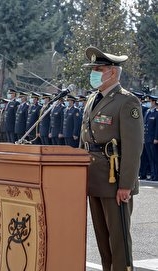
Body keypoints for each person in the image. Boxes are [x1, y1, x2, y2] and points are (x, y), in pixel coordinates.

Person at [80, 46, 143, 271]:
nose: (93, 73)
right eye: (93, 69)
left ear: (113, 72)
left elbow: (133, 146)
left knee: (118, 242)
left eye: (98, 69)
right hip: (93, 179)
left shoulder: (127, 102)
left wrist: (125, 185)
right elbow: (84, 141)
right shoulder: (91, 100)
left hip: (113, 179)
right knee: (103, 241)